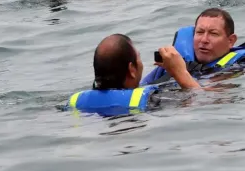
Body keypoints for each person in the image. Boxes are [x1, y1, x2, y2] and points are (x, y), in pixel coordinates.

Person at [65, 34, 200, 116]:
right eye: (139, 58)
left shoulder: (74, 101)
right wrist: (181, 73)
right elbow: (202, 102)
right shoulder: (150, 100)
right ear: (132, 69)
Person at [141, 8, 245, 85]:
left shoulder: (237, 68)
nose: (204, 40)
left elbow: (205, 102)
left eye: (213, 34)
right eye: (200, 32)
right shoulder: (174, 61)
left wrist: (179, 72)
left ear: (230, 40)